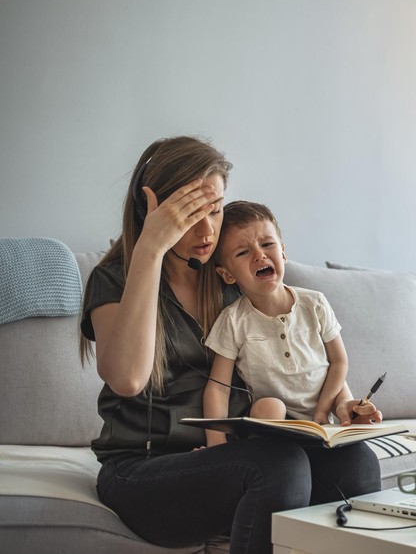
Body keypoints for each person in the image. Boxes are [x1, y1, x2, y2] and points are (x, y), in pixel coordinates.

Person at [79, 136, 382, 554]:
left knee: (357, 462)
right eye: (188, 215)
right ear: (152, 213)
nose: (207, 231)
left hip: (231, 459)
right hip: (143, 470)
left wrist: (343, 404)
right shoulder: (113, 279)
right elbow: (128, 378)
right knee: (279, 466)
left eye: (215, 209)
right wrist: (150, 248)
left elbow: (302, 359)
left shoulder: (230, 277)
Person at [203, 201, 351, 446]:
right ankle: (272, 456)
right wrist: (215, 445)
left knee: (351, 412)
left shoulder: (315, 303)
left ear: (282, 253)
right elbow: (218, 388)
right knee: (270, 406)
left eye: (267, 244)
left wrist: (325, 410)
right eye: (243, 252)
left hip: (322, 414)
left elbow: (339, 361)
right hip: (275, 422)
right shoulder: (233, 320)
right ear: (227, 274)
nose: (259, 255)